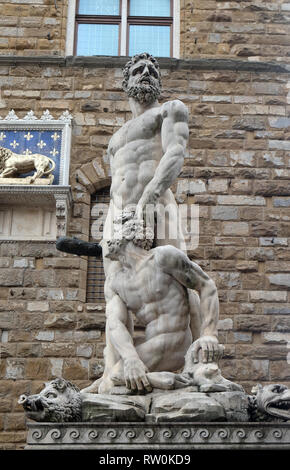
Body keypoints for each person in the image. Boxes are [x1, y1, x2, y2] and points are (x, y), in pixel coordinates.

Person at [82, 53, 220, 393]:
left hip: (157, 203)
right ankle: (114, 370)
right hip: (117, 215)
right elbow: (118, 181)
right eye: (139, 69)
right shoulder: (115, 139)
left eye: (152, 70)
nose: (146, 73)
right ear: (126, 80)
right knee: (113, 289)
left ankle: (201, 364)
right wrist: (116, 217)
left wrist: (149, 198)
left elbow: (175, 155)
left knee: (182, 276)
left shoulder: (169, 110)